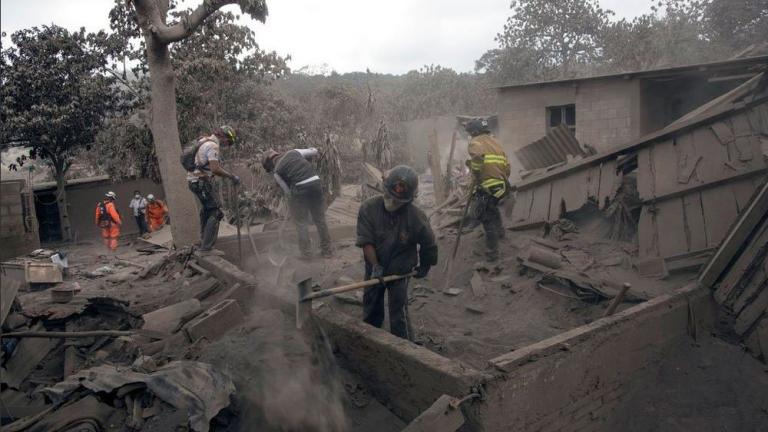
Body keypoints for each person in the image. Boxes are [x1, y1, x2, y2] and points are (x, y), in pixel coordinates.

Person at [355, 165, 438, 340]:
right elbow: (366, 241)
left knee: (397, 311)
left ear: (410, 199)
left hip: (400, 271)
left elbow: (428, 243)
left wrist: (425, 265)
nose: (392, 202)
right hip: (374, 267)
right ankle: (370, 340)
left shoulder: (416, 217)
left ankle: (405, 347)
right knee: (371, 306)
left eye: (398, 201)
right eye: (389, 196)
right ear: (384, 188)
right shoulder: (368, 208)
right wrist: (376, 266)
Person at [262, 147, 332, 259]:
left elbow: (288, 192)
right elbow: (314, 151)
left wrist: (293, 206)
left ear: (270, 163)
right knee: (320, 220)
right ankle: (327, 251)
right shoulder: (293, 152)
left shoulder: (277, 172)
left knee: (301, 223)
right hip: (316, 184)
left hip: (300, 189)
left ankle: (307, 254)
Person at [185, 125, 240, 253]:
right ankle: (207, 248)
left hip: (194, 180)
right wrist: (231, 177)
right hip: (200, 182)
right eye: (228, 141)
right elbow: (215, 168)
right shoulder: (212, 146)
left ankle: (203, 242)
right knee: (216, 212)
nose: (227, 144)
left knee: (207, 210)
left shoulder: (203, 140)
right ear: (223, 136)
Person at [464, 118, 511, 262]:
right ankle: (501, 232)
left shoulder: (475, 142)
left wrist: (476, 172)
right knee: (491, 207)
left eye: (470, 132)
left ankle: (493, 253)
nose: (470, 135)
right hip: (502, 185)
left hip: (487, 185)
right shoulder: (496, 143)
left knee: (485, 217)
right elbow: (507, 167)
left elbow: (477, 157)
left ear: (474, 132)